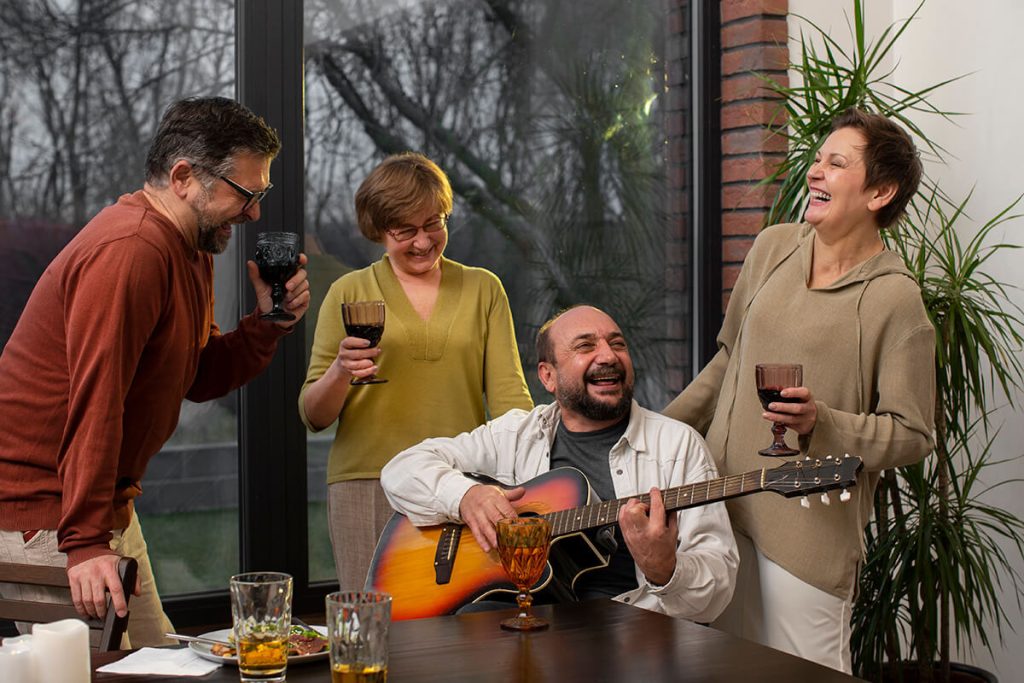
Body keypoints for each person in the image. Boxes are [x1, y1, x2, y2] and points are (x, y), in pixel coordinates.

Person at [0, 96, 310, 647]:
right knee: (107, 673)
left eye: (261, 194)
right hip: (47, 509)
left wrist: (266, 324)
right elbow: (98, 399)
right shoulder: (133, 249)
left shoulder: (188, 248)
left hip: (97, 504)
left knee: (158, 659)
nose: (255, 212)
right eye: (247, 193)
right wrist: (87, 542)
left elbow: (197, 376)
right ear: (184, 176)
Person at [663, 107, 935, 672]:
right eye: (817, 159)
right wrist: (658, 434)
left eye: (836, 163)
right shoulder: (772, 247)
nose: (814, 172)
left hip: (807, 533)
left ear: (880, 192)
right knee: (720, 669)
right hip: (721, 509)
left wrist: (824, 423)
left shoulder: (894, 298)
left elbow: (913, 434)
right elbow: (729, 363)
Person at [380, 305, 738, 620]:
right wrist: (465, 497)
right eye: (586, 346)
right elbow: (401, 469)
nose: (609, 356)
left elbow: (717, 592)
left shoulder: (677, 446)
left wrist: (665, 569)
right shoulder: (517, 434)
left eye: (617, 344)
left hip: (630, 628)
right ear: (548, 376)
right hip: (525, 618)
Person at [299, 152, 533, 590]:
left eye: (434, 224)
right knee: (371, 626)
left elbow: (511, 402)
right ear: (378, 230)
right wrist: (340, 371)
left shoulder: (484, 289)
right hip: (366, 483)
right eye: (405, 231)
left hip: (461, 485)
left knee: (460, 622)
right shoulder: (348, 292)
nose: (423, 242)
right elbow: (314, 415)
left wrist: (525, 478)